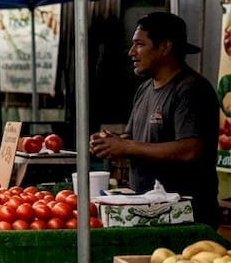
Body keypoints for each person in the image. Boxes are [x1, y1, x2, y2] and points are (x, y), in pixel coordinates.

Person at [89, 12, 219, 226]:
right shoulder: (144, 89)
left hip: (185, 218)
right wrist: (111, 142)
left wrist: (126, 146)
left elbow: (190, 150)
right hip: (148, 213)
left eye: (140, 44)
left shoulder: (191, 90)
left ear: (165, 47)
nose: (132, 52)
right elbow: (133, 138)